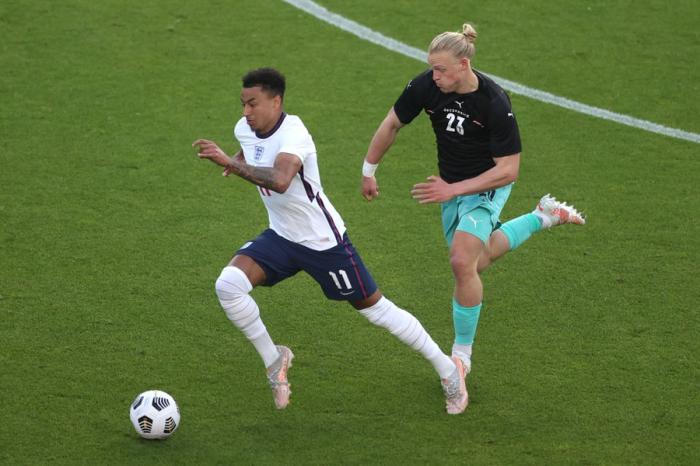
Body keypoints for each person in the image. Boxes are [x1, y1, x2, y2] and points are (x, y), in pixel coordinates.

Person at [193, 67, 467, 414]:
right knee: (228, 286)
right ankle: (274, 359)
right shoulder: (243, 128)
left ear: (276, 102)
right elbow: (251, 149)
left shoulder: (295, 133)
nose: (246, 112)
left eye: (253, 104)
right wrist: (236, 159)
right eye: (243, 104)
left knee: (376, 310)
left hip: (323, 243)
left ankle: (448, 370)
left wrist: (229, 164)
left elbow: (281, 180)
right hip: (281, 236)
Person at [360, 23, 585, 407]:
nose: (434, 76)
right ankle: (542, 216)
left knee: (462, 261)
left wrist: (454, 189)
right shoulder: (427, 86)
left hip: (487, 186)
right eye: (432, 68)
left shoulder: (494, 102)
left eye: (441, 70)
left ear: (463, 65)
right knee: (476, 263)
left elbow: (508, 169)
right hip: (452, 185)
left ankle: (460, 358)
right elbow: (393, 122)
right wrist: (369, 170)